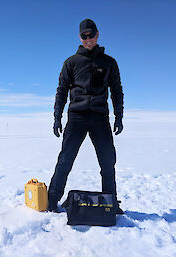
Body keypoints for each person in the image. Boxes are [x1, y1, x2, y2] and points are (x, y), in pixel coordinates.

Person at [48, 19, 124, 214]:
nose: (88, 39)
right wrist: (57, 117)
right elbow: (61, 91)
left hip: (100, 117)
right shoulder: (71, 63)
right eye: (84, 36)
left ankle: (111, 203)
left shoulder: (109, 63)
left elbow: (117, 90)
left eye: (91, 35)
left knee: (108, 162)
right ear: (80, 37)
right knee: (65, 160)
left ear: (98, 35)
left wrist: (119, 116)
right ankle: (51, 200)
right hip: (77, 117)